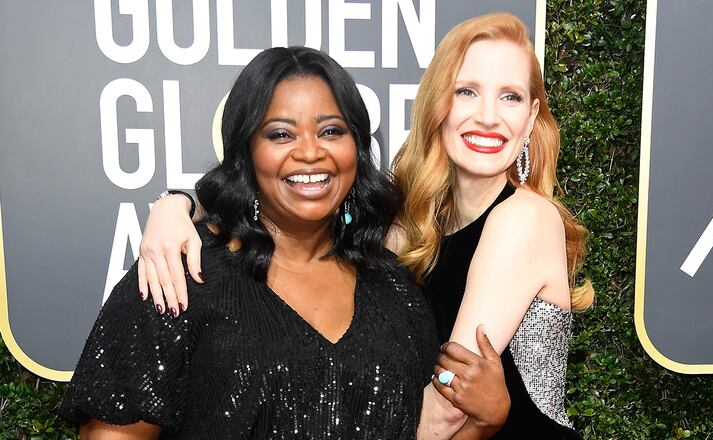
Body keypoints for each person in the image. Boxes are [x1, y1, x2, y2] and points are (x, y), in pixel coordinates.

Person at [137, 12, 592, 439]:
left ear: (531, 117)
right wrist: (176, 207)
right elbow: (299, 203)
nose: (489, 116)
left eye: (510, 96)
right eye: (466, 91)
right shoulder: (415, 216)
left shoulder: (525, 218)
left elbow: (448, 407)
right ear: (438, 102)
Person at [58, 46, 509, 439]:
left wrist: (483, 423)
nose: (310, 151)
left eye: (332, 130)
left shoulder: (396, 295)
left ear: (357, 148)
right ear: (246, 153)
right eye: (280, 134)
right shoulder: (179, 277)